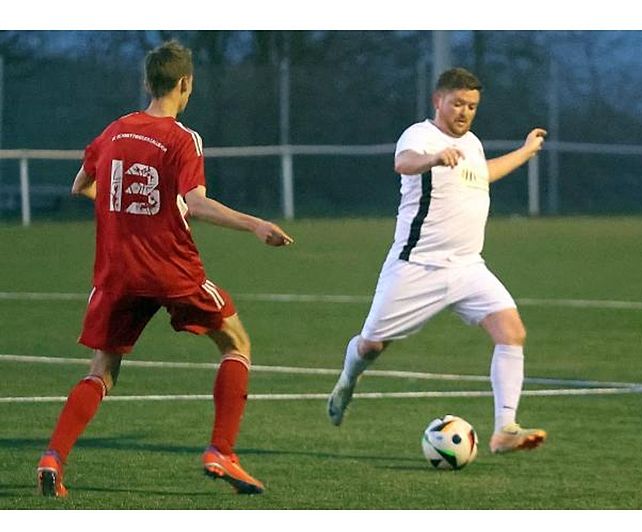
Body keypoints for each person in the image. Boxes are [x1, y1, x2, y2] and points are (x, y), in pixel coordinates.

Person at [36, 40, 293, 498]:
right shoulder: (181, 138)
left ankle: (53, 456)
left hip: (116, 274)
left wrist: (129, 211)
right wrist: (255, 225)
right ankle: (221, 451)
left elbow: (81, 186)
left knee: (102, 371)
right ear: (185, 84)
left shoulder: (113, 131)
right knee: (235, 342)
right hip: (170, 269)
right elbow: (197, 203)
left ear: (146, 82)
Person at [326, 67, 548, 454]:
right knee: (372, 347)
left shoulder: (473, 144)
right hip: (416, 265)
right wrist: (433, 158)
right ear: (438, 101)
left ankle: (504, 428)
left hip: (467, 266)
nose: (465, 112)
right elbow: (404, 162)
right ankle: (347, 379)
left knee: (512, 332)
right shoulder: (420, 136)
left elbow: (483, 174)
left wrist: (525, 152)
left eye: (472, 106)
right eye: (458, 103)